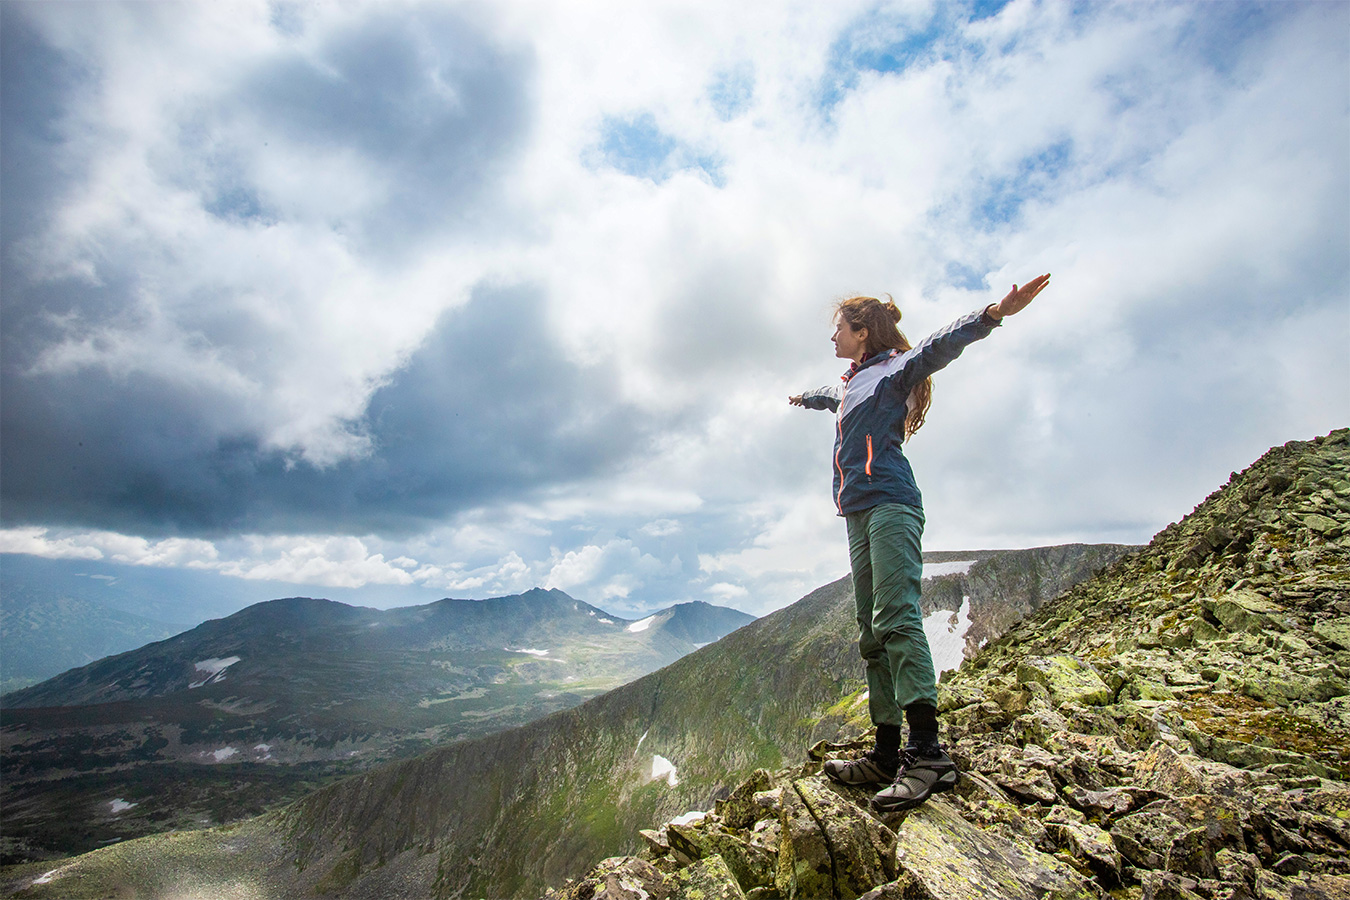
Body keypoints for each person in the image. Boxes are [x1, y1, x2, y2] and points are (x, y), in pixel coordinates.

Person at [788, 273, 1050, 812]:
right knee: (871, 629)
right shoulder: (850, 383)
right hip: (857, 511)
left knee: (898, 617)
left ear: (862, 332)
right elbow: (829, 395)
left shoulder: (893, 373)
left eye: (838, 329)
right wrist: (803, 397)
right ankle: (886, 751)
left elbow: (936, 347)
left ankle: (928, 753)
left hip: (891, 505)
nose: (831, 338)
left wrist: (992, 314)